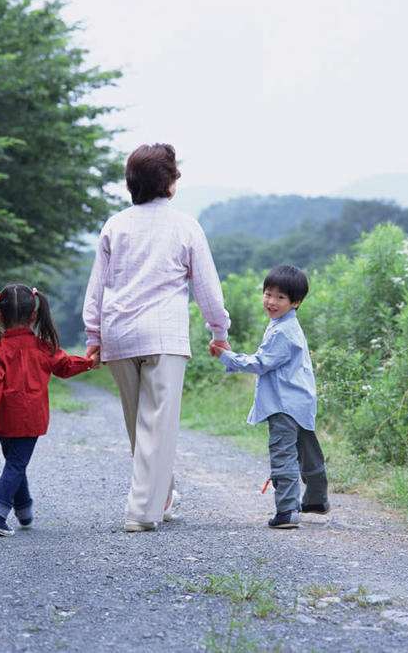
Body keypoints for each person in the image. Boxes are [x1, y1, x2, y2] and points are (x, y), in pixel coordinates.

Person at [82, 143, 231, 533]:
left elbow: (97, 286)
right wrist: (219, 331)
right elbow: (207, 289)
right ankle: (140, 513)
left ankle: (162, 496)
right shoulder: (185, 226)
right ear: (169, 182)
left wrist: (93, 335)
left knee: (140, 426)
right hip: (163, 336)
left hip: (118, 333)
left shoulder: (115, 225)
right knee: (157, 426)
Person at [210, 264, 329, 529]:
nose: (271, 302)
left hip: (284, 404)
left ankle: (286, 511)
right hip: (301, 401)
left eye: (280, 297)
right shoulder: (285, 325)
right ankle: (316, 500)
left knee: (283, 454)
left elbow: (261, 363)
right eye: (267, 294)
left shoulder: (282, 331)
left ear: (295, 302)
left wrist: (226, 357)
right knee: (308, 451)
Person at [0, 283, 93, 537]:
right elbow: (64, 367)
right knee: (16, 464)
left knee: (15, 463)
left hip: (3, 417)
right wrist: (88, 364)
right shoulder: (44, 347)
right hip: (30, 418)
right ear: (34, 315)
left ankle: (24, 509)